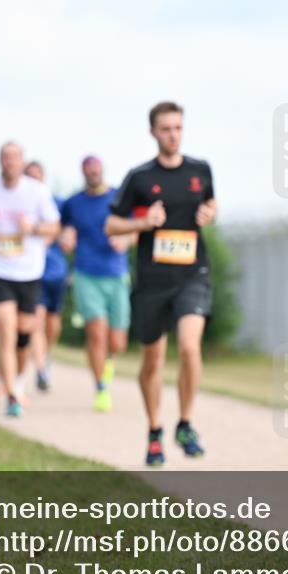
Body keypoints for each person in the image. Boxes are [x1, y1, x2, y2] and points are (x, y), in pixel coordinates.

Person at [106, 101, 217, 466]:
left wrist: (210, 213)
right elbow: (112, 225)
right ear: (153, 132)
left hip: (192, 274)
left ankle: (185, 423)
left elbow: (210, 205)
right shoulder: (139, 178)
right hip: (153, 280)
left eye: (178, 128)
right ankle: (155, 430)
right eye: (166, 128)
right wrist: (142, 223)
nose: (173, 134)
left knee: (189, 347)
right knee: (152, 361)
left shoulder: (200, 170)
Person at [0, 142, 61, 417]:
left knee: (23, 336)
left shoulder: (38, 192)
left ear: (22, 161)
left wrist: (35, 228)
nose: (10, 162)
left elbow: (55, 227)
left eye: (15, 157)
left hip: (29, 272)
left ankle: (16, 379)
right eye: (6, 157)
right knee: (6, 329)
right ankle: (12, 396)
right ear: (0, 161)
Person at [60, 155, 132, 411]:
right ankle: (101, 388)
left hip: (117, 274)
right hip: (86, 273)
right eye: (88, 170)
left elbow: (134, 228)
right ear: (83, 172)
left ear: (102, 170)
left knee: (118, 343)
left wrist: (126, 240)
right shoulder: (73, 203)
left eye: (96, 169)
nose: (93, 173)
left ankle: (108, 361)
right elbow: (64, 228)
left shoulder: (119, 197)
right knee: (96, 331)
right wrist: (66, 237)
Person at [24, 160, 69, 393]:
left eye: (37, 176)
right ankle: (41, 368)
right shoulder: (19, 205)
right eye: (28, 176)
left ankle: (46, 355)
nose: (33, 180)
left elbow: (69, 231)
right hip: (32, 272)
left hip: (56, 271)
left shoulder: (57, 204)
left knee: (53, 323)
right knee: (37, 321)